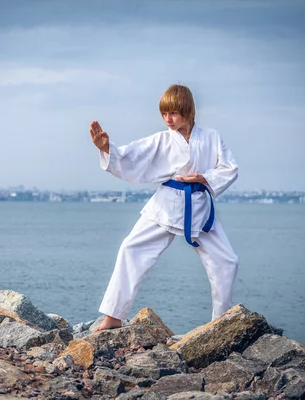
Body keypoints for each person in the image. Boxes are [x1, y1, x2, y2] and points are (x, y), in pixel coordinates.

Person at [89, 84, 239, 332]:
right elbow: (131, 156)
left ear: (188, 111)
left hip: (199, 207)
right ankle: (114, 317)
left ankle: (221, 322)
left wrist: (204, 177)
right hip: (166, 205)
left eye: (174, 113)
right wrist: (107, 148)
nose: (168, 119)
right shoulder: (161, 139)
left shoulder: (211, 137)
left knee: (227, 261)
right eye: (164, 114)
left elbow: (230, 168)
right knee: (131, 248)